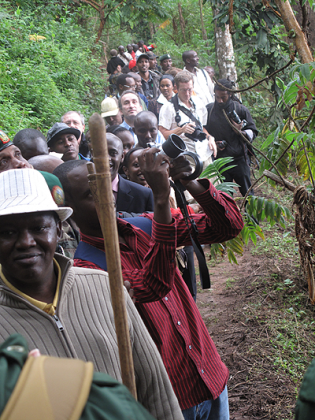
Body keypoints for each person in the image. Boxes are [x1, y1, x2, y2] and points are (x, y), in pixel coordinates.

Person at [56, 148, 244, 420]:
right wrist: (160, 199)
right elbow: (153, 284)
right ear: (69, 212)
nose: (105, 197)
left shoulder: (144, 226)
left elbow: (228, 226)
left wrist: (187, 179)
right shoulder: (87, 270)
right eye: (89, 194)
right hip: (169, 402)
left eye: (104, 185)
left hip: (211, 377)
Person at [0, 168, 182, 420]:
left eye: (39, 227)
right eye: (7, 233)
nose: (26, 241)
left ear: (58, 229)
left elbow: (156, 389)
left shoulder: (106, 288)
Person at [205, 78, 258, 197]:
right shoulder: (209, 110)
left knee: (248, 193)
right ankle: (229, 216)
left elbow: (253, 131)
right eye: (217, 97)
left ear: (230, 94)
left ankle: (252, 216)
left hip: (240, 159)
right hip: (220, 161)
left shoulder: (240, 109)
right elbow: (203, 130)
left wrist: (241, 132)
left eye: (223, 97)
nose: (220, 100)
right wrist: (212, 141)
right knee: (224, 196)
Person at [159, 71, 216, 167]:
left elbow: (202, 128)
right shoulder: (168, 107)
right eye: (183, 90)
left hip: (204, 153)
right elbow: (162, 135)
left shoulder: (198, 103)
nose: (187, 93)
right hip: (185, 156)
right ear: (176, 88)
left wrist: (210, 138)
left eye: (189, 89)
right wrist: (181, 130)